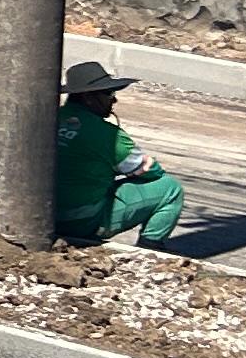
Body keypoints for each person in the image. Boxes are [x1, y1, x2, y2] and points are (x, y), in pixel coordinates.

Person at [56, 58, 186, 246]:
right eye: (108, 93)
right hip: (80, 221)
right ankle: (150, 249)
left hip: (44, 215)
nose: (114, 99)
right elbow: (150, 170)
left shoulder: (50, 117)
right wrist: (146, 164)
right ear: (88, 97)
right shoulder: (108, 135)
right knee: (170, 189)